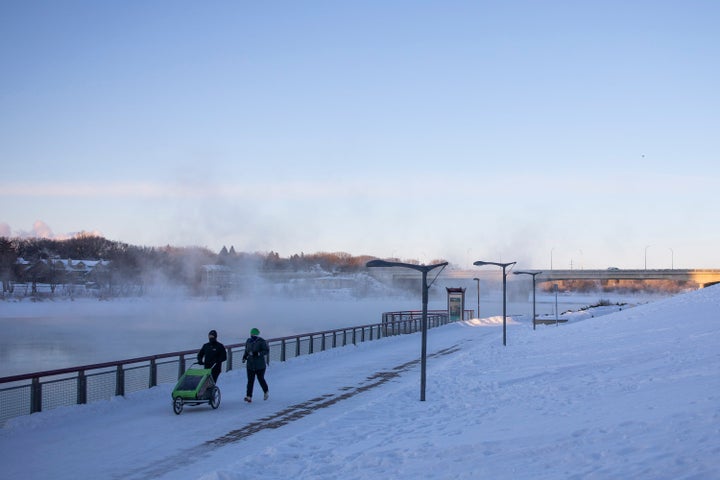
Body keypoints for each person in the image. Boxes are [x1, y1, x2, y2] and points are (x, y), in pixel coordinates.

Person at [242, 327, 269, 402]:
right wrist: (244, 357)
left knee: (260, 379)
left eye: (254, 334)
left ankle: (266, 391)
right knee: (250, 380)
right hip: (250, 364)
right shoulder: (248, 341)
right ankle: (249, 396)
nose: (252, 335)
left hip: (260, 365)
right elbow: (246, 350)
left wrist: (258, 353)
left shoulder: (261, 341)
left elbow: (266, 351)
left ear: (257, 335)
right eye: (251, 334)